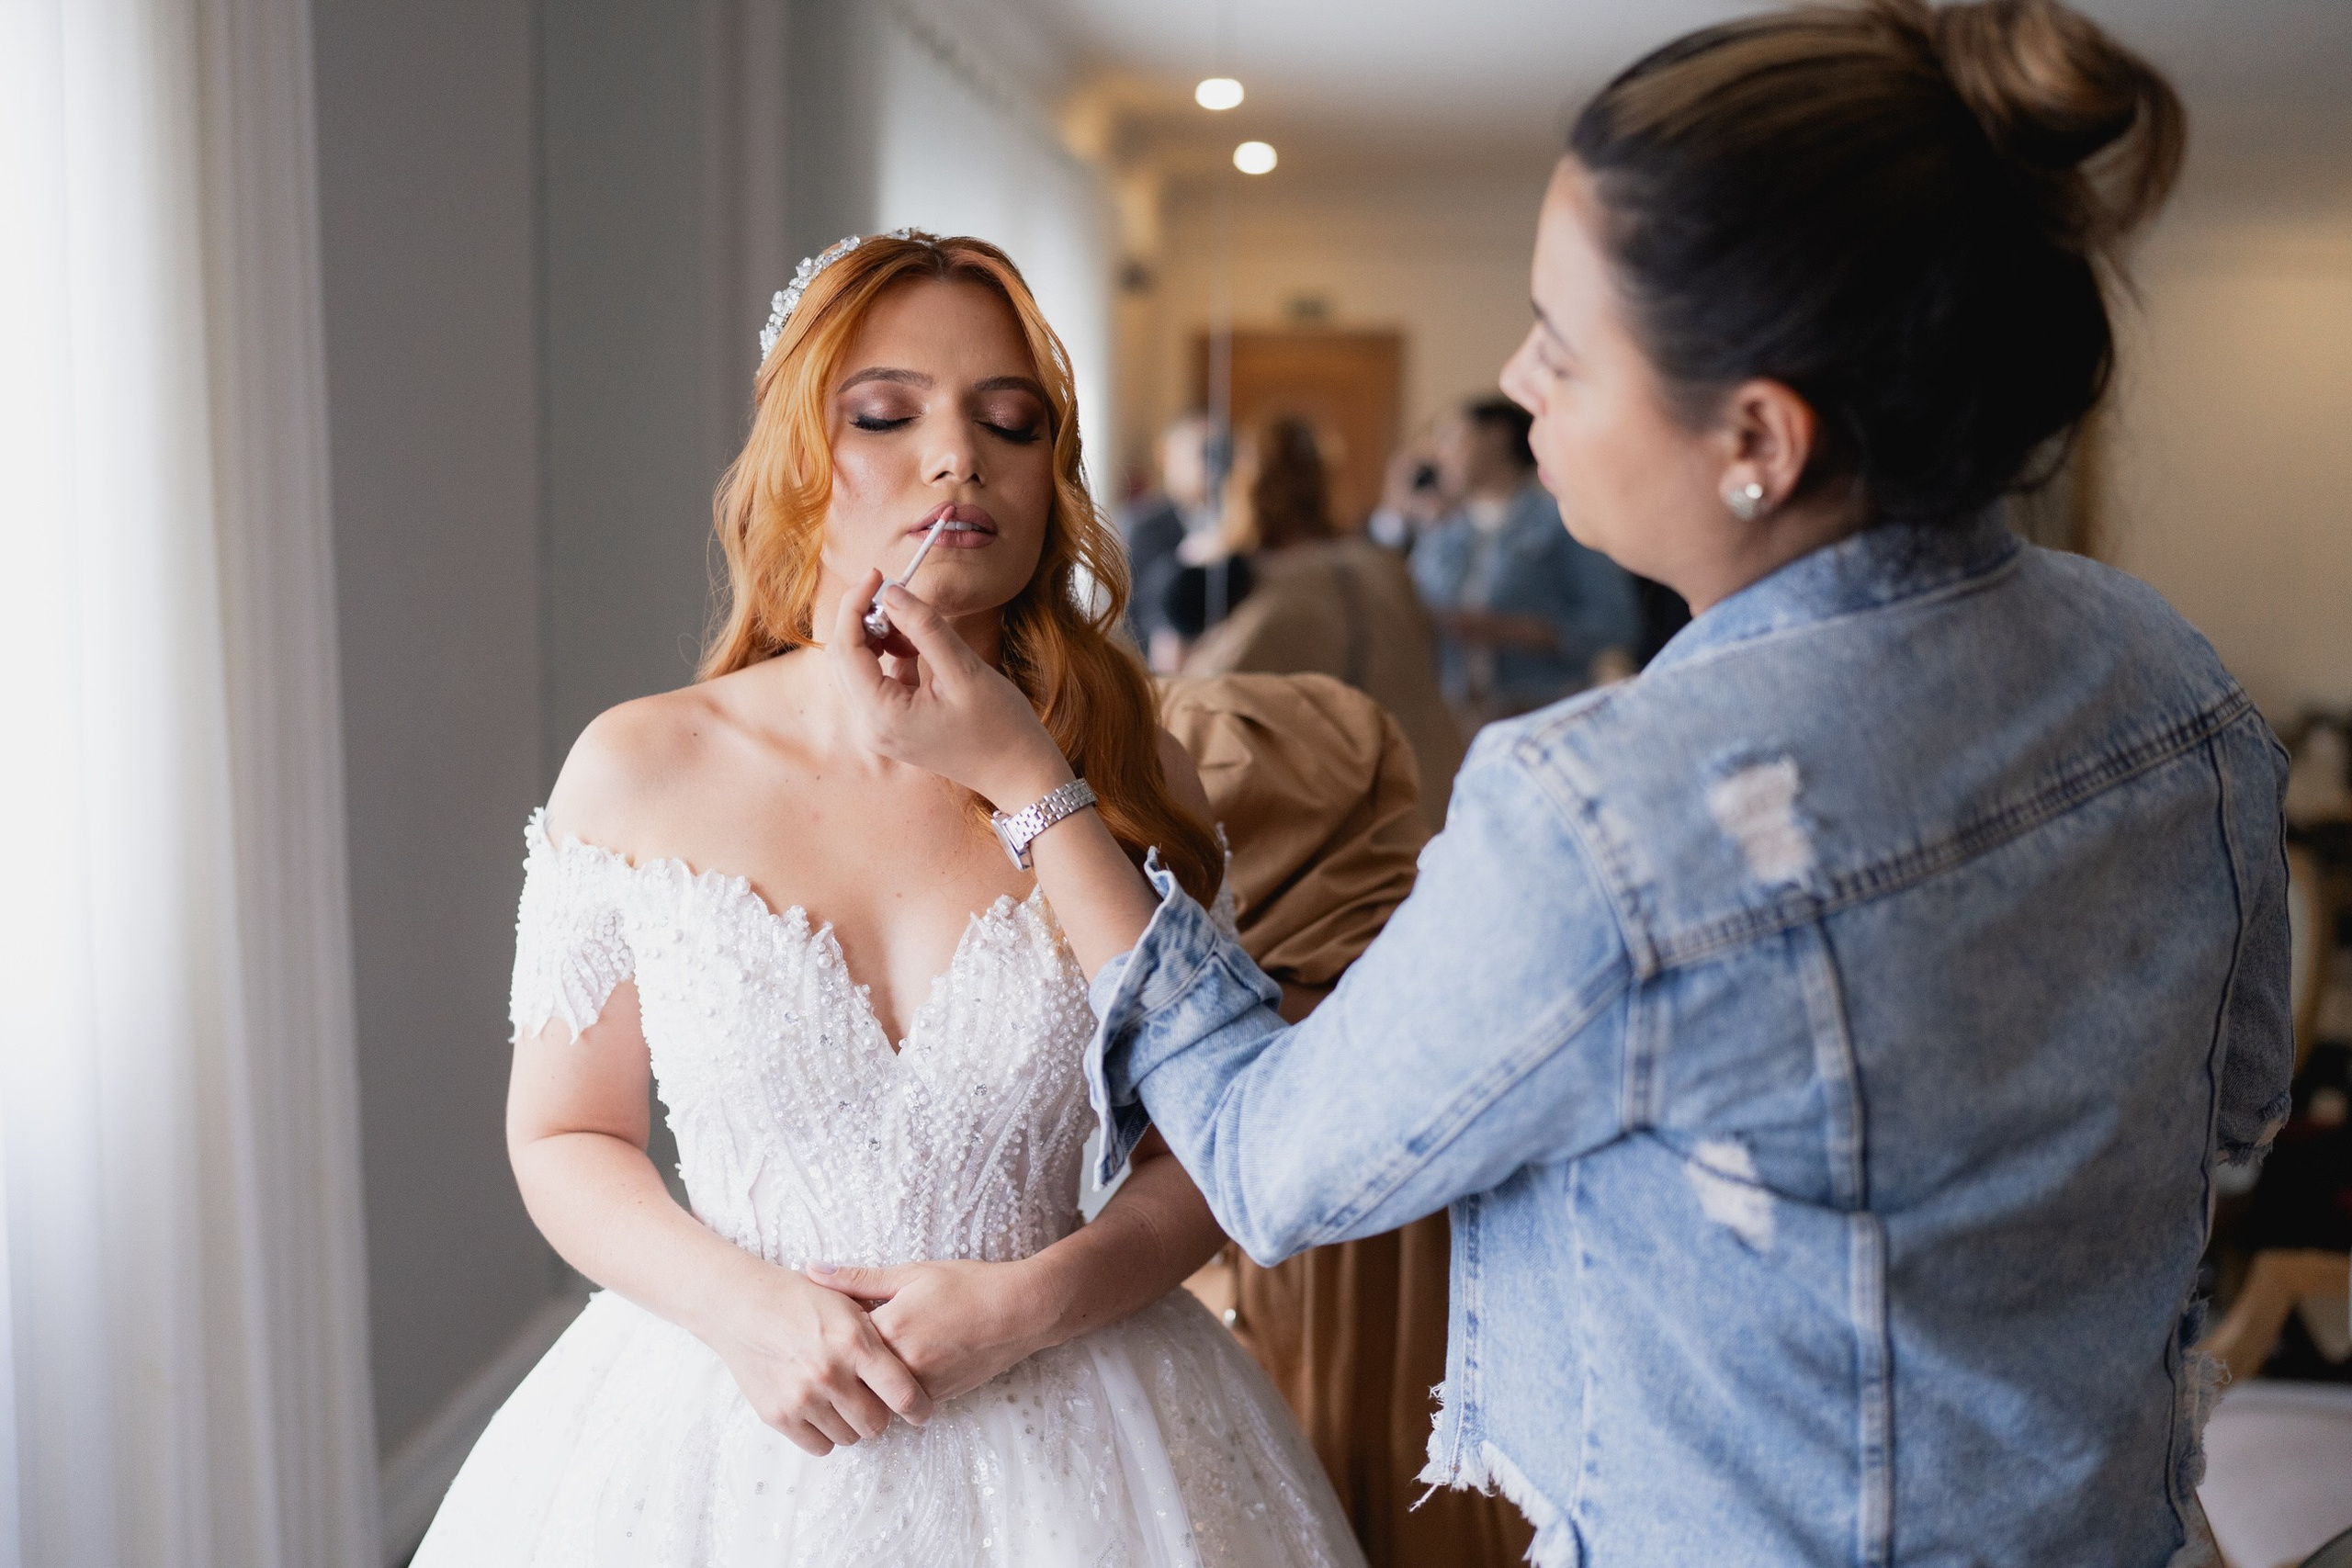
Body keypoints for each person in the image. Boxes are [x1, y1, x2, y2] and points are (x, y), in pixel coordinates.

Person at [819, 4, 2295, 1564]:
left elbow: (1267, 1160)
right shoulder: (2168, 672)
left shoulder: (1612, 817)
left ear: (1757, 439)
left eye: (1562, 344)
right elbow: (2241, 1092)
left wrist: (1026, 778)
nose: (1517, 382)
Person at [412, 231, 1364, 1566]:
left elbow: (1215, 1141)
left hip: (1088, 1428)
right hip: (721, 1426)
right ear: (803, 456)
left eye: (1009, 422)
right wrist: (746, 1311)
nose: (959, 457)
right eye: (887, 411)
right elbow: (566, 1133)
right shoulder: (640, 767)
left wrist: (1030, 1304)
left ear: (1051, 476)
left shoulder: (1128, 775)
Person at [1181, 418, 1465, 827]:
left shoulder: (1284, 585)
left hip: (1339, 816)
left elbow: (1206, 701)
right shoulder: (1382, 567)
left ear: (1248, 481)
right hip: (1428, 791)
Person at [1389, 398, 1640, 721]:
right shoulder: (1441, 534)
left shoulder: (1565, 524)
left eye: (1451, 437)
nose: (1440, 452)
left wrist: (1506, 630)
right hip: (1450, 718)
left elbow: (1614, 625)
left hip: (1543, 713)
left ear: (1496, 438)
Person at [1119, 411, 1216, 663]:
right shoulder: (1140, 527)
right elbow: (1137, 614)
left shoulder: (1231, 524)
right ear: (1166, 454)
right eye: (1202, 453)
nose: (1211, 465)